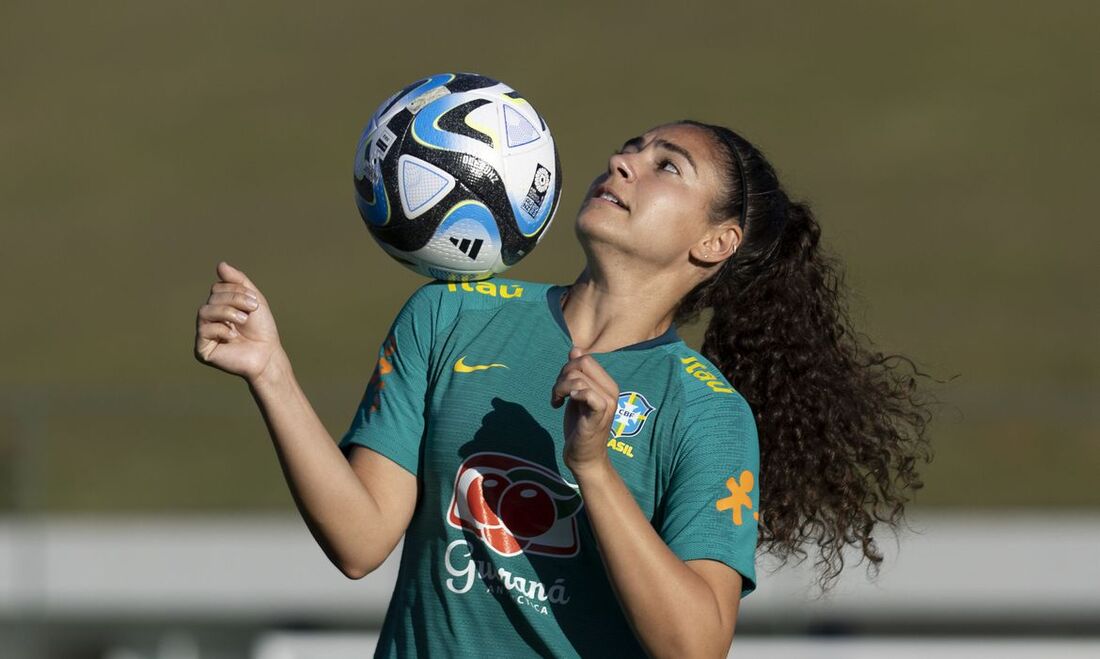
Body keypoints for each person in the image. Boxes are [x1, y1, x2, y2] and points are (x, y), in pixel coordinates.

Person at [194, 120, 933, 657]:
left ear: (714, 242)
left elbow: (696, 645)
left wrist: (593, 468)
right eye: (630, 148)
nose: (621, 161)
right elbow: (359, 540)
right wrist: (273, 374)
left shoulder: (706, 411)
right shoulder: (451, 310)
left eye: (666, 166)